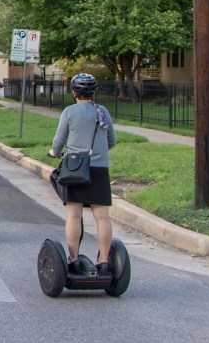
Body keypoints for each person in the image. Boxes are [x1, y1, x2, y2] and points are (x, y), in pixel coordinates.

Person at [48, 73, 117, 276]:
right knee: (102, 217)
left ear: (74, 92)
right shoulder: (102, 112)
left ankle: (74, 259)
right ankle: (104, 261)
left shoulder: (69, 112)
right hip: (99, 169)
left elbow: (59, 140)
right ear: (93, 92)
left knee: (74, 214)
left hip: (75, 168)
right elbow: (111, 140)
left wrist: (54, 153)